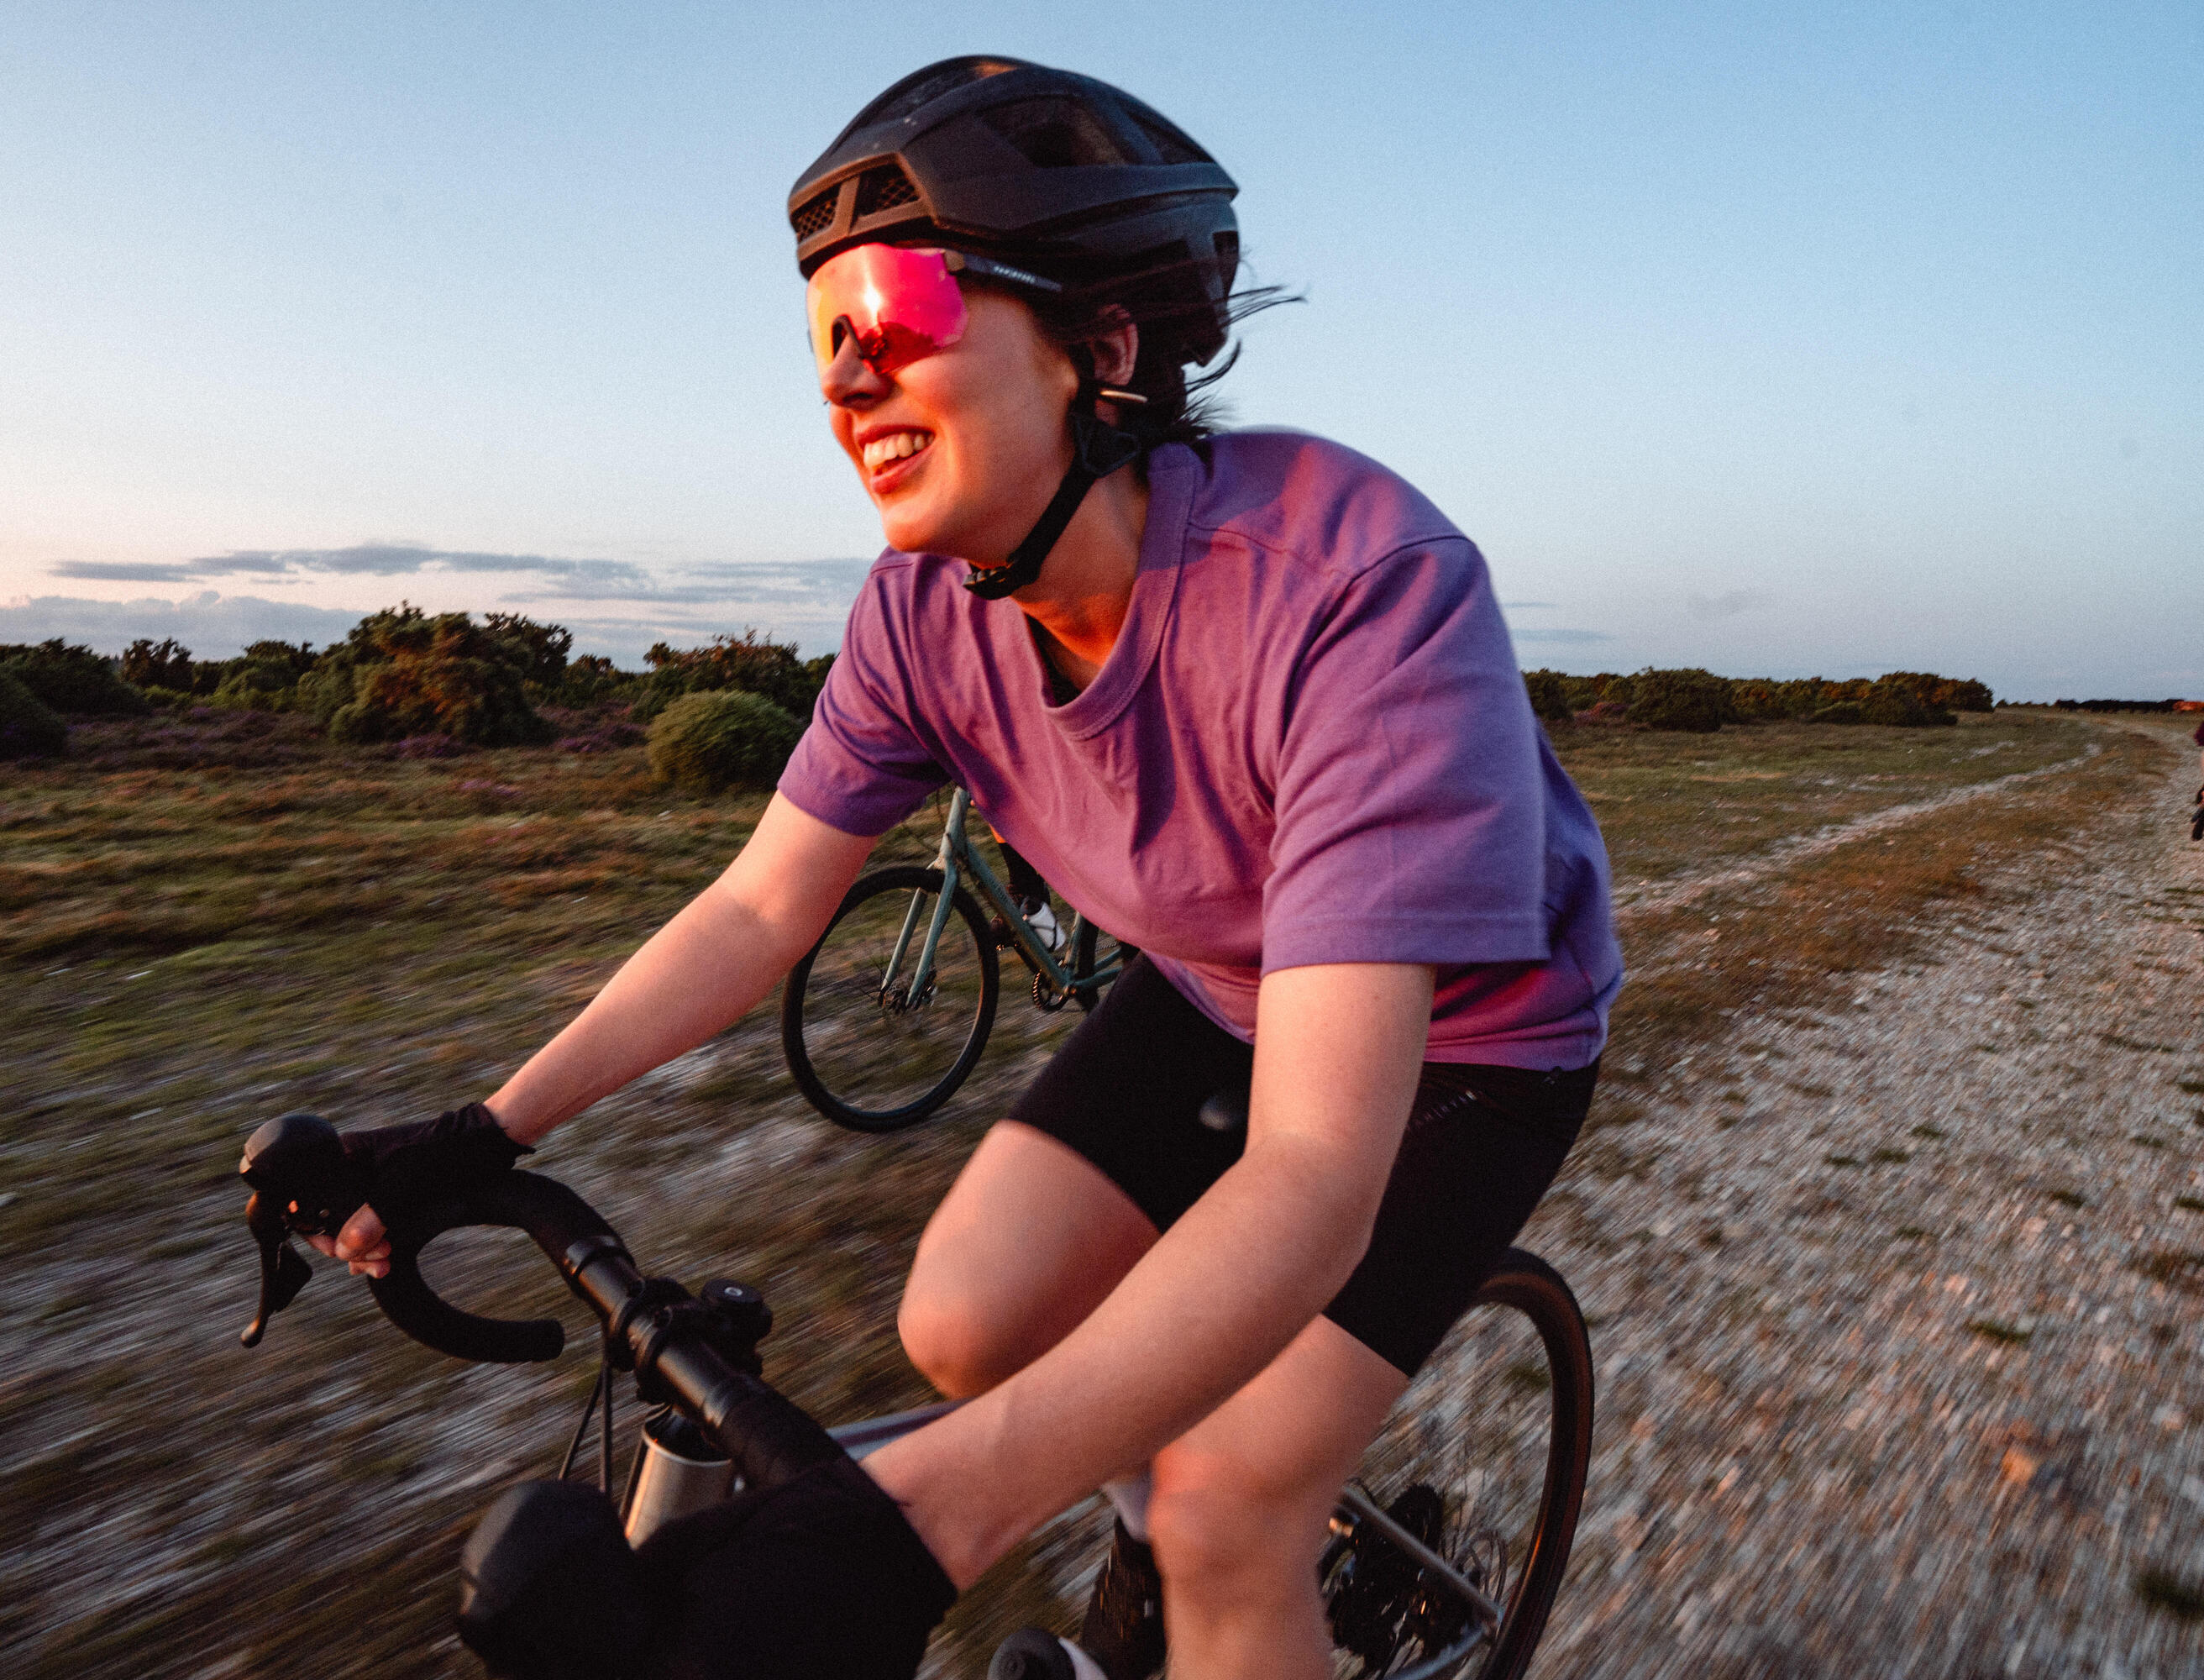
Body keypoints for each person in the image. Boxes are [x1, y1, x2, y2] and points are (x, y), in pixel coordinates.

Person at [313, 56, 1622, 1680]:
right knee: (962, 1322)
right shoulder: (921, 618)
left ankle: (1232, 1547)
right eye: (822, 339)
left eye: (905, 311)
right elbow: (756, 907)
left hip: (1471, 1051)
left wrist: (926, 1525)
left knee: (1226, 1511)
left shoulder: (1356, 589)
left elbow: (1309, 1173)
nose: (847, 379)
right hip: (1223, 992)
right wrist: (477, 1132)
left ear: (1106, 348)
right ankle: (1160, 1519)